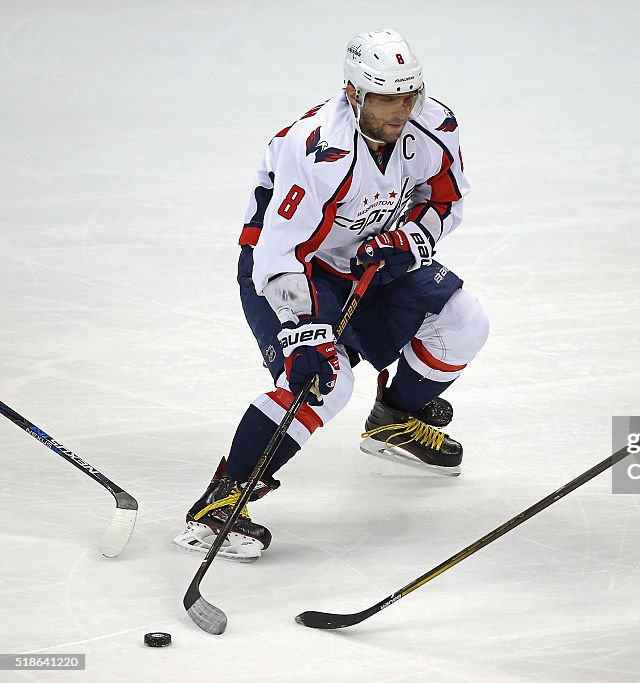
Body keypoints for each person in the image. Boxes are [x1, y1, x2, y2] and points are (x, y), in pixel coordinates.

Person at [173, 30, 489, 561]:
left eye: (408, 95)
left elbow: (445, 201)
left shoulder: (436, 124)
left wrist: (409, 239)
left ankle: (394, 421)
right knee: (325, 381)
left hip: (371, 260)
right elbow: (280, 249)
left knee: (464, 320)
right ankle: (220, 502)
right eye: (386, 98)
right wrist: (304, 334)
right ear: (353, 94)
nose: (401, 109)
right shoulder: (316, 147)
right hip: (293, 268)